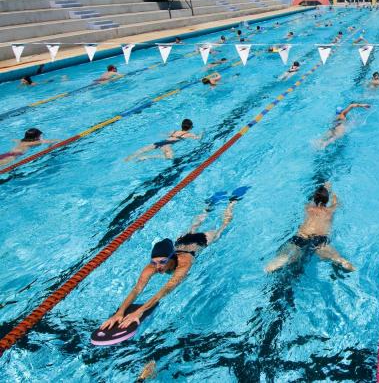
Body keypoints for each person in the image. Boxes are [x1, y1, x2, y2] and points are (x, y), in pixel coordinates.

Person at [99, 189, 246, 330]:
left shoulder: (184, 264)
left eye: (162, 262)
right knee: (194, 224)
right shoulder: (152, 266)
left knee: (222, 227)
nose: (158, 267)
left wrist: (140, 311)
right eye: (154, 262)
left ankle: (232, 202)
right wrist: (120, 312)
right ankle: (208, 206)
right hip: (181, 242)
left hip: (201, 242)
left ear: (171, 258)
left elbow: (166, 289)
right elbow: (137, 289)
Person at [264, 183, 355, 272]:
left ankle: (281, 260)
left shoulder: (308, 208)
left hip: (302, 236)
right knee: (333, 255)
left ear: (314, 198)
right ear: (327, 200)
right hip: (319, 239)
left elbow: (313, 199)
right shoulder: (330, 211)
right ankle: (341, 261)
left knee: (289, 253)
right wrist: (332, 192)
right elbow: (337, 203)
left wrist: (322, 189)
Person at [125, 119, 202, 161]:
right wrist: (202, 133)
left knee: (141, 150)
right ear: (190, 127)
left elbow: (163, 134)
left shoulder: (174, 131)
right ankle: (147, 157)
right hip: (167, 145)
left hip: (160, 142)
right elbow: (198, 138)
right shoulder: (189, 134)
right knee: (169, 158)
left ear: (181, 126)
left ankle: (128, 159)